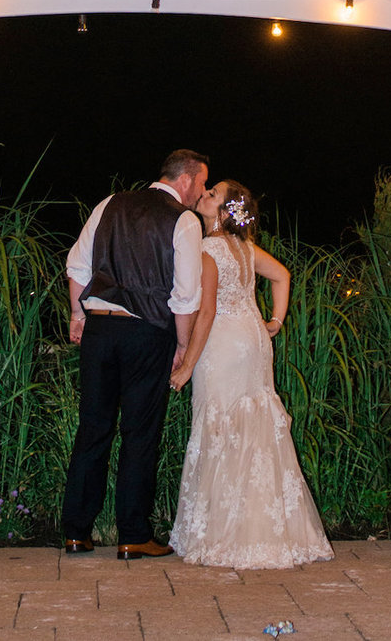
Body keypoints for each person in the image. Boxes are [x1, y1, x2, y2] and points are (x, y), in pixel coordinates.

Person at [168, 180, 332, 569]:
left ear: (225, 212)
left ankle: (227, 533)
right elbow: (282, 276)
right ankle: (267, 531)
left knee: (222, 424)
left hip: (224, 344)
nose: (204, 196)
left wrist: (187, 365)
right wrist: (274, 319)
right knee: (254, 425)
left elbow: (205, 312)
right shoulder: (244, 248)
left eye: (212, 195)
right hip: (255, 339)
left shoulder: (208, 249)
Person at [62, 147, 209, 560]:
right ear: (186, 179)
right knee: (139, 434)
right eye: (201, 183)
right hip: (148, 334)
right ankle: (132, 533)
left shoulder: (111, 203)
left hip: (101, 329)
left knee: (93, 427)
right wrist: (182, 345)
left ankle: (76, 532)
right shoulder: (184, 220)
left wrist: (78, 314)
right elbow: (185, 297)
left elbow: (77, 267)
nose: (201, 192)